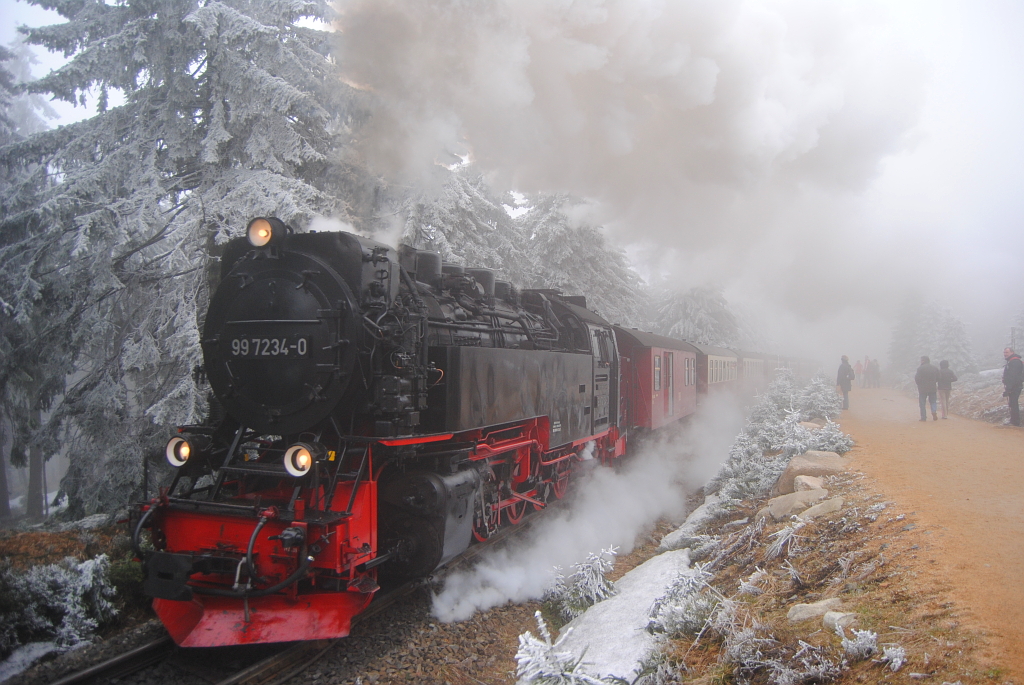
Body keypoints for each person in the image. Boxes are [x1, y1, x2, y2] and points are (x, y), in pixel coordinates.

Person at [914, 355, 939, 421]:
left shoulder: (920, 368)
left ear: (923, 361)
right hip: (932, 387)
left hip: (922, 388)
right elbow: (939, 377)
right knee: (933, 401)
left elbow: (917, 378)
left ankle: (923, 417)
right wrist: (934, 381)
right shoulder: (934, 368)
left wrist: (919, 384)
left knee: (922, 403)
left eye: (921, 360)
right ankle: (934, 411)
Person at [1002, 347, 1023, 426]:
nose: (1005, 354)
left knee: (1013, 403)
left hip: (1015, 387)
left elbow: (1012, 377)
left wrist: (1008, 389)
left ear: (1012, 352)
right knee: (1012, 403)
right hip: (1015, 386)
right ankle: (1014, 421)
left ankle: (1015, 422)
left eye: (1007, 352)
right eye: (1004, 352)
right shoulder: (1012, 361)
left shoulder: (1014, 362)